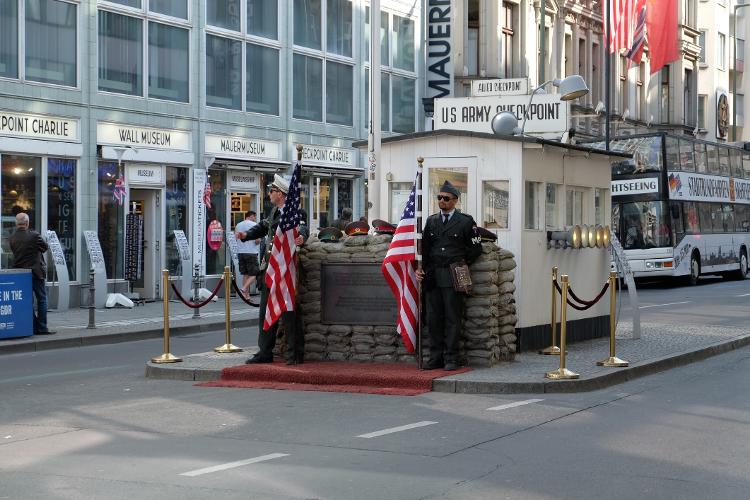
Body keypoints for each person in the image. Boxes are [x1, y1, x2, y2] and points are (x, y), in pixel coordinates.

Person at [236, 174, 308, 365]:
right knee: (265, 312)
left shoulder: (293, 212)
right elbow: (262, 227)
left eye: (272, 191)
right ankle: (264, 351)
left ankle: (295, 353)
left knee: (289, 313)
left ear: (282, 194)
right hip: (270, 268)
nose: (269, 194)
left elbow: (302, 228)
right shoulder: (275, 212)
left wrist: (302, 237)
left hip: (285, 269)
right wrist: (245, 235)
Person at [416, 181, 482, 371]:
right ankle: (435, 356)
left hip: (454, 274)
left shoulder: (466, 221)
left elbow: (476, 248)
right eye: (439, 198)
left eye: (446, 198)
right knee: (433, 318)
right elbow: (425, 249)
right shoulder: (432, 221)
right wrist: (420, 268)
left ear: (455, 201)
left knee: (453, 317)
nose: (441, 201)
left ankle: (451, 357)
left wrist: (460, 263)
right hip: (433, 275)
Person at [9, 213, 55, 335]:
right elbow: (44, 247)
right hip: (36, 273)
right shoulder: (34, 235)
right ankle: (42, 327)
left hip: (21, 274)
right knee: (42, 299)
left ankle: (33, 326)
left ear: (16, 223)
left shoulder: (12, 237)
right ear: (27, 223)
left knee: (27, 300)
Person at [234, 210, 260, 297]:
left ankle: (246, 296)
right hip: (251, 252)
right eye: (254, 217)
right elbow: (257, 241)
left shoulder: (238, 225)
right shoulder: (254, 225)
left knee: (245, 274)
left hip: (241, 252)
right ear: (252, 216)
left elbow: (236, 237)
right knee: (255, 274)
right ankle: (244, 288)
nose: (255, 219)